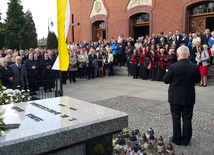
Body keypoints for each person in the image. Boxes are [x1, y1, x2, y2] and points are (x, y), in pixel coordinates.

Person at [163, 46, 200, 146]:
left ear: (178, 55)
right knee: (187, 118)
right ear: (188, 55)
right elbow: (197, 80)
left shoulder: (173, 67)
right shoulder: (195, 67)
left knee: (176, 118)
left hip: (175, 97)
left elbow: (165, 80)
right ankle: (186, 140)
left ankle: (177, 139)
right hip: (189, 96)